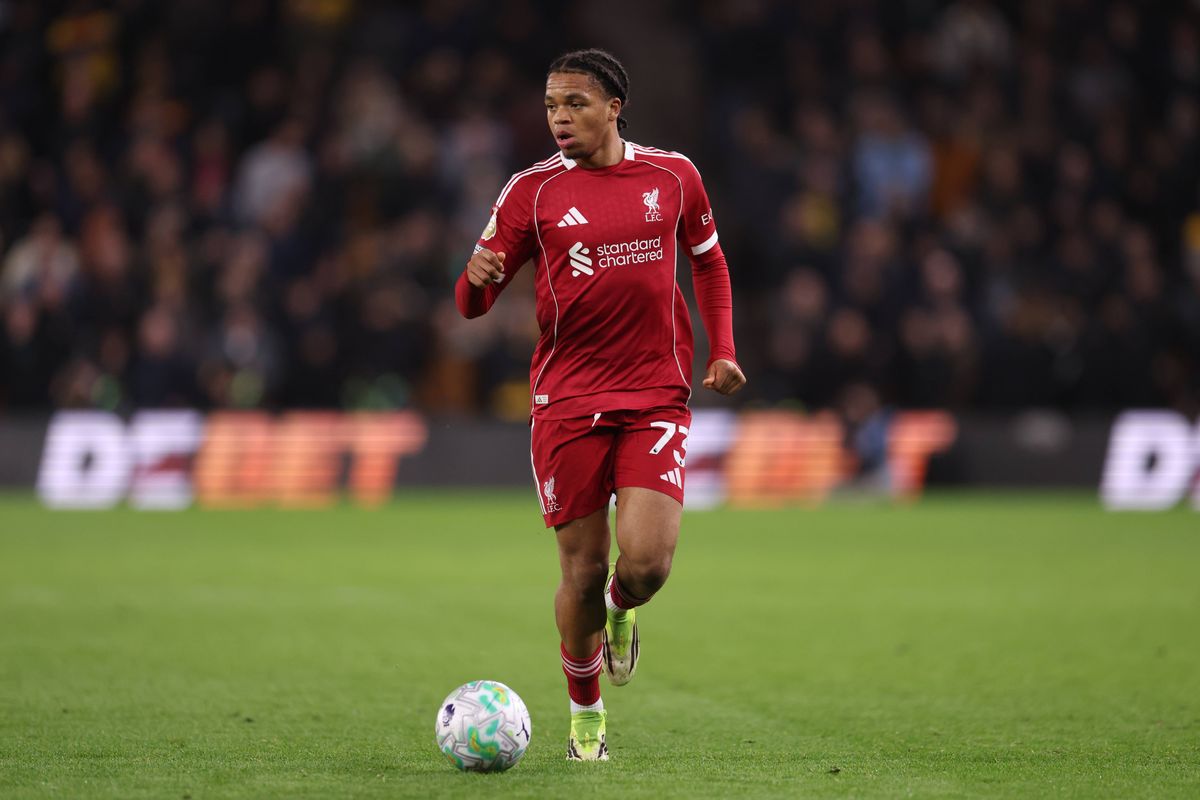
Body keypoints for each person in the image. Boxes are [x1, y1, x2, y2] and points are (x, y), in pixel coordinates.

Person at [455, 48, 745, 761]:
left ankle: (621, 611)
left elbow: (707, 258)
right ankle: (586, 717)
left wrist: (723, 348)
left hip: (654, 392)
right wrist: (476, 276)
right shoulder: (531, 192)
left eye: (576, 104)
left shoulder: (673, 176)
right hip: (567, 399)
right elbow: (472, 304)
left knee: (644, 566)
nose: (560, 117)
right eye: (552, 105)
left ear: (615, 108)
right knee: (581, 572)